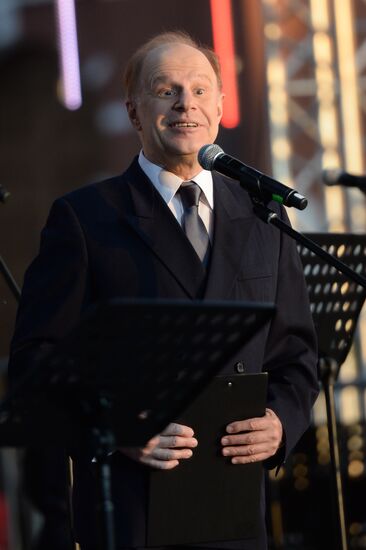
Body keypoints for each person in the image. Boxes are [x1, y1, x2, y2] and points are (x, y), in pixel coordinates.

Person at [8, 31, 319, 550]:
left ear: (220, 107)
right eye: (166, 89)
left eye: (200, 90)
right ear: (135, 112)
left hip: (236, 508)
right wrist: (119, 428)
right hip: (132, 512)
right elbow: (36, 364)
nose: (185, 104)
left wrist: (281, 423)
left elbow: (297, 356)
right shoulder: (86, 219)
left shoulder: (263, 214)